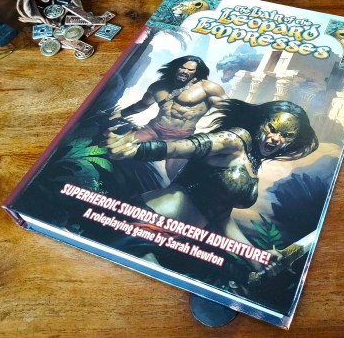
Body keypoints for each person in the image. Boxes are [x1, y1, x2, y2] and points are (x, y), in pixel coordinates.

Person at [107, 99, 319, 261]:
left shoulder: (253, 162)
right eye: (272, 129)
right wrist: (136, 149)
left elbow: (221, 217)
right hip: (148, 224)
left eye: (286, 136)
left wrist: (258, 258)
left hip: (179, 242)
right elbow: (185, 147)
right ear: (261, 123)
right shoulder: (236, 139)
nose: (275, 139)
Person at [110, 55, 227, 178]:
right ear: (175, 68)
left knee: (175, 174)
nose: (185, 71)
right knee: (118, 151)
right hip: (153, 129)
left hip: (181, 136)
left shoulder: (208, 88)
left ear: (196, 72)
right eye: (182, 68)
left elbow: (229, 109)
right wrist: (121, 113)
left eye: (190, 70)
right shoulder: (158, 86)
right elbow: (142, 105)